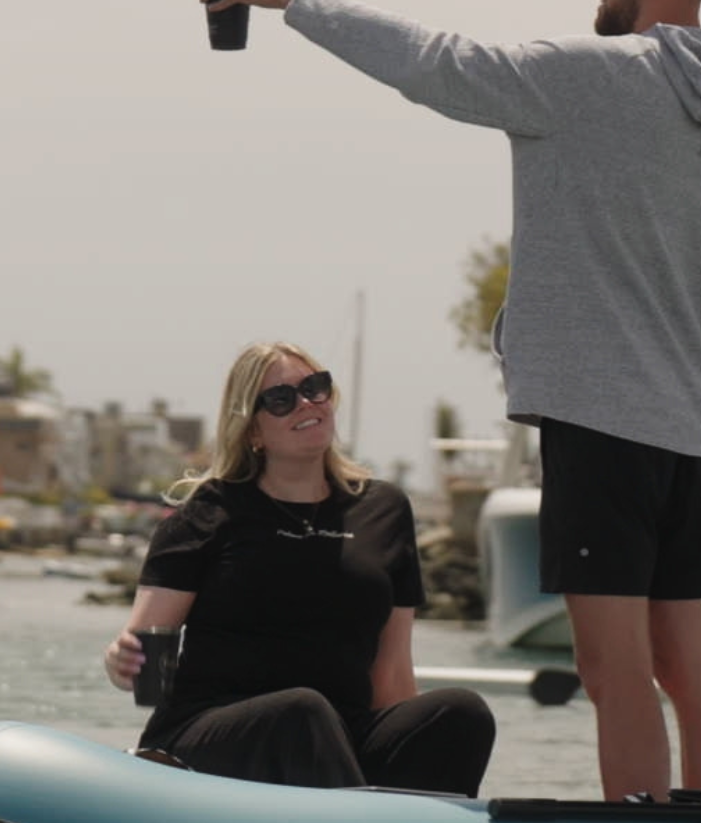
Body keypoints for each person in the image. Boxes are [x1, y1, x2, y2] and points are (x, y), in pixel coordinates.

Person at [193, 0, 701, 802]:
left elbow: (434, 64)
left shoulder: (585, 76)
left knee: (614, 673)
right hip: (691, 439)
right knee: (695, 665)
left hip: (598, 423)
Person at [103, 340, 495, 796]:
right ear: (252, 430)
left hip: (338, 736)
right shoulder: (209, 512)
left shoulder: (383, 509)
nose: (307, 403)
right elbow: (139, 657)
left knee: (461, 712)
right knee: (302, 712)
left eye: (315, 387)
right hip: (209, 735)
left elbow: (392, 671)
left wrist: (404, 741)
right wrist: (119, 661)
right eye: (281, 399)